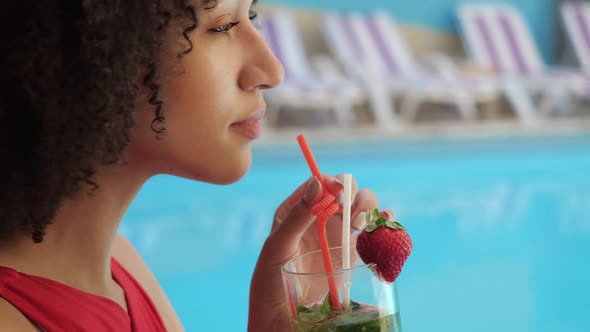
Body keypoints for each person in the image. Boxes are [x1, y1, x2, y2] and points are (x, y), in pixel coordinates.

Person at [0, 1, 388, 331]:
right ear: (94, 52)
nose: (272, 71)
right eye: (221, 26)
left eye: (250, 15)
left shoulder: (123, 268)